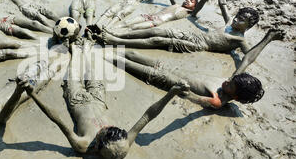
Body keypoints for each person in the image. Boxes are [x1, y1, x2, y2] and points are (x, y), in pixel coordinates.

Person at [18, 37, 189, 159]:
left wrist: (32, 93)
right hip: (99, 99)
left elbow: (56, 118)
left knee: (74, 71)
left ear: (98, 145)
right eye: (112, 128)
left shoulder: (83, 145)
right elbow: (148, 116)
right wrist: (171, 93)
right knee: (90, 70)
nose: (106, 127)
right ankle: (85, 46)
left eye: (104, 132)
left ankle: (74, 49)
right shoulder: (125, 141)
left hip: (78, 100)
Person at [103, 28, 285, 109]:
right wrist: (268, 38)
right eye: (232, 79)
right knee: (132, 55)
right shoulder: (234, 82)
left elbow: (195, 99)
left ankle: (94, 54)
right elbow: (247, 59)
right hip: (166, 66)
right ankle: (104, 42)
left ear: (235, 96)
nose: (227, 80)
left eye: (230, 84)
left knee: (124, 63)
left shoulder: (218, 100)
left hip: (162, 77)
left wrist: (183, 93)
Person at [95, 0, 261, 54]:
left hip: (201, 45)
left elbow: (251, 53)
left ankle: (116, 40)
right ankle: (112, 33)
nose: (237, 19)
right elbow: (223, 5)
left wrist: (268, 39)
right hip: (194, 36)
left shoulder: (240, 39)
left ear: (250, 25)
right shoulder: (229, 22)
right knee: (151, 31)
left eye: (242, 20)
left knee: (158, 38)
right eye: (238, 15)